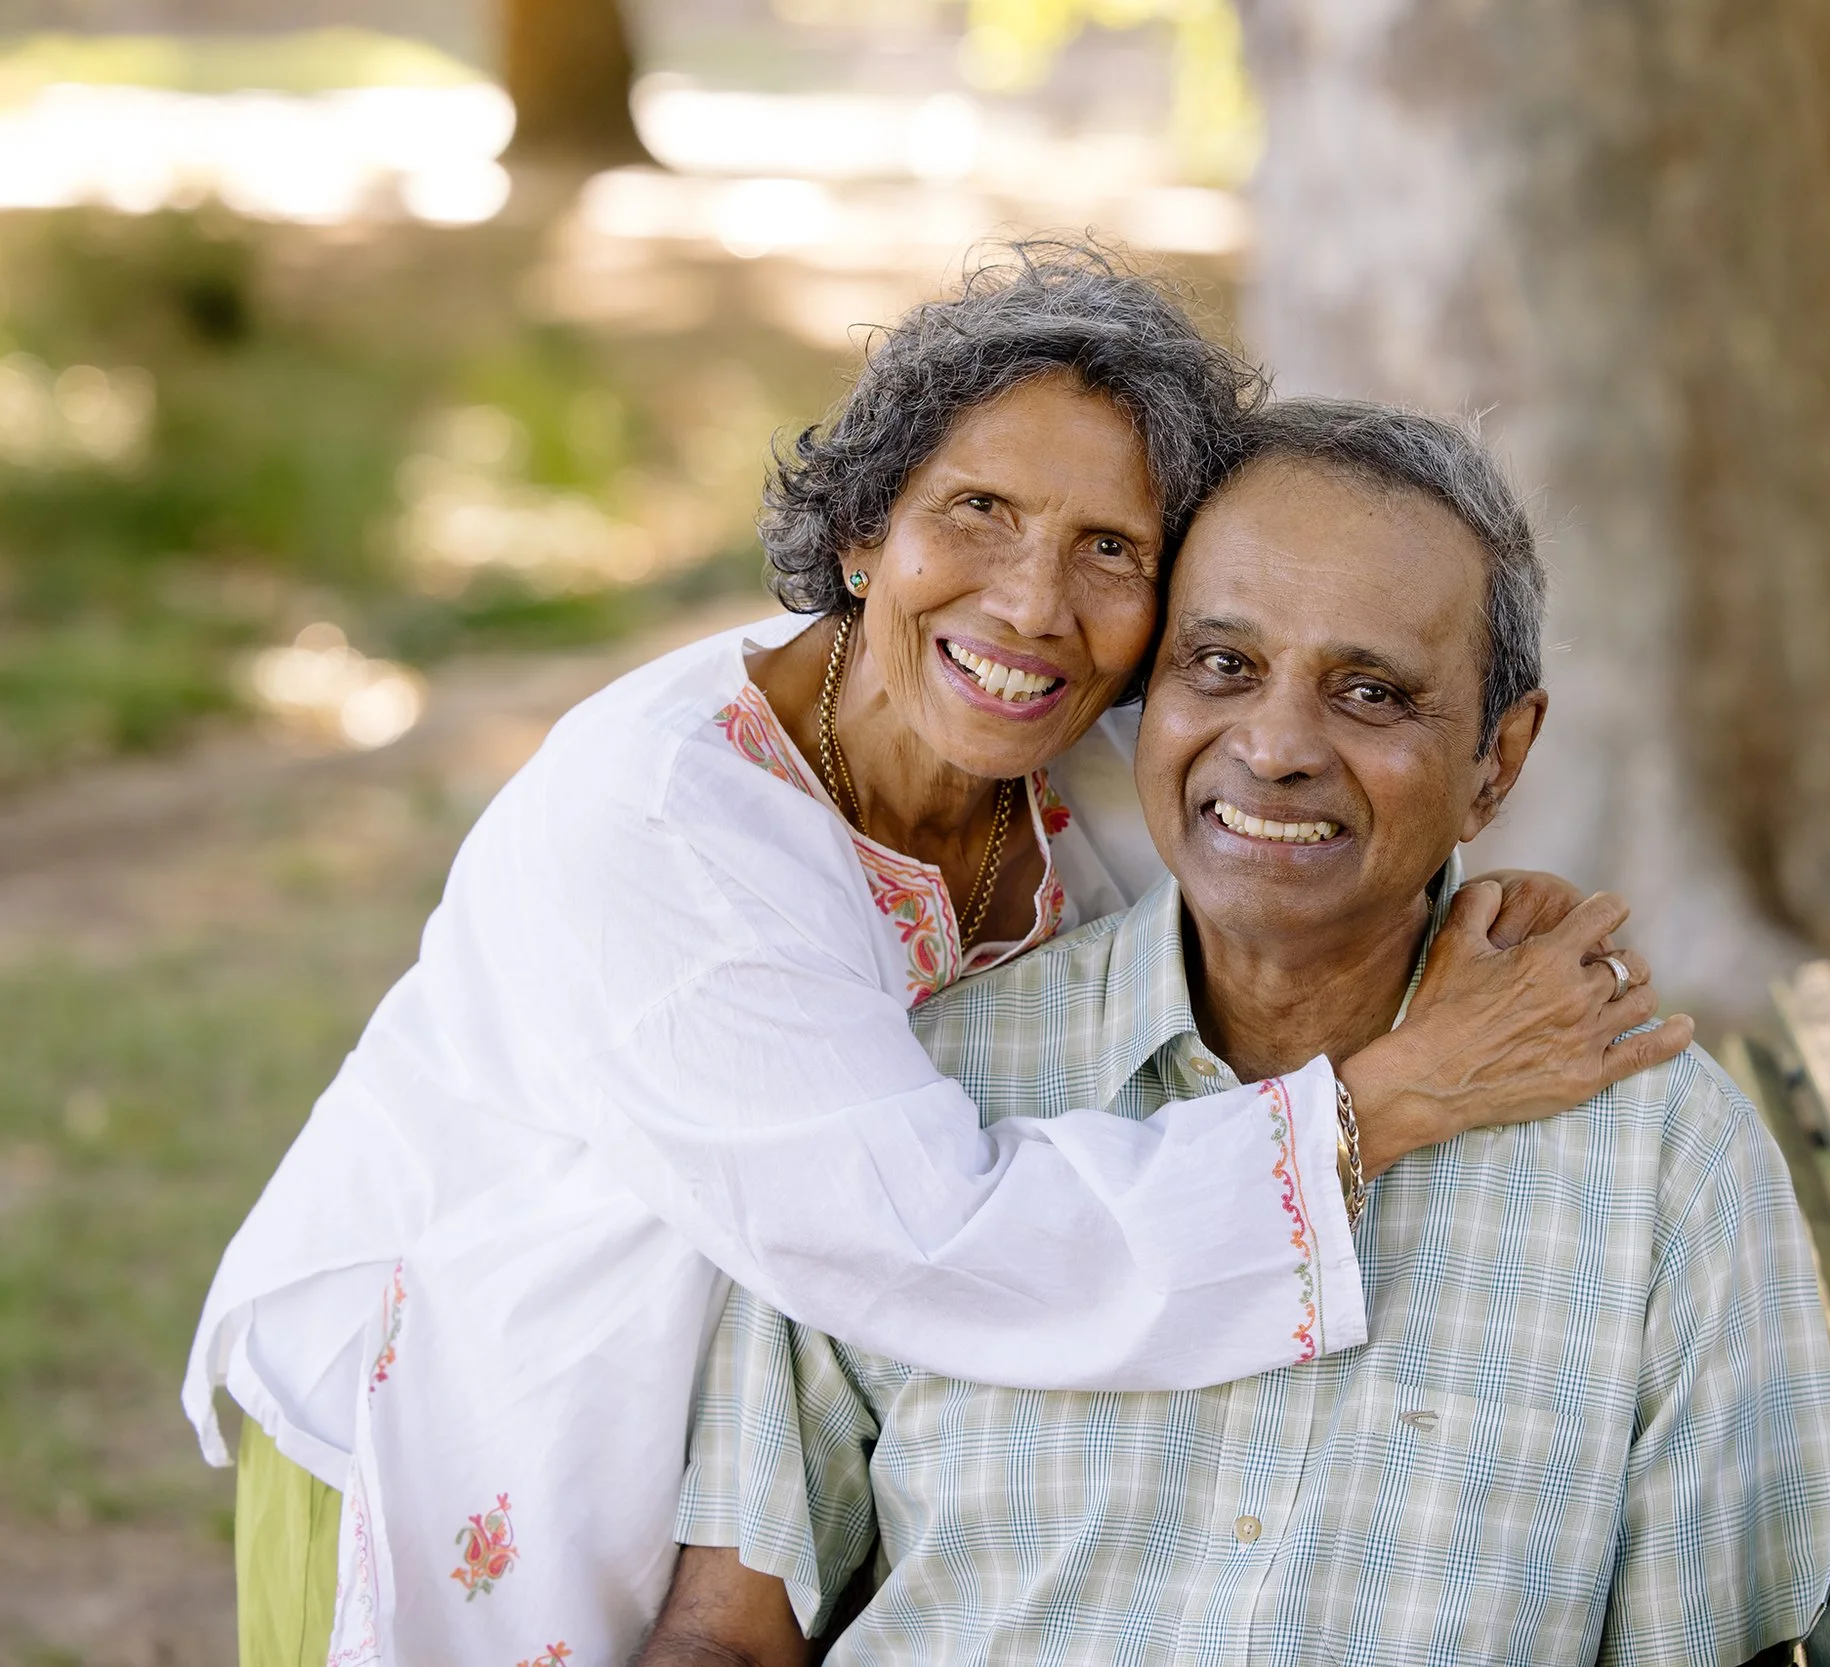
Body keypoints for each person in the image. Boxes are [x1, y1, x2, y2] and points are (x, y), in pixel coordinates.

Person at [182, 249, 1691, 1667]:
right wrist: (1389, 1099)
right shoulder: (665, 826)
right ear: (862, 527)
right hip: (455, 1425)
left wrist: (1473, 911)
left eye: (1113, 548)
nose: (1033, 603)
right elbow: (927, 1235)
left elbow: (1304, 822)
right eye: (976, 510)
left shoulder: (1051, 775)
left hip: (744, 1463)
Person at [645, 399, 1830, 1667]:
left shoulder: (1660, 1162)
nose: (1273, 748)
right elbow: (729, 1630)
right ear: (1148, 697)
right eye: (1220, 665)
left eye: (1371, 692)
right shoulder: (936, 1092)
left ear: (1496, 762)